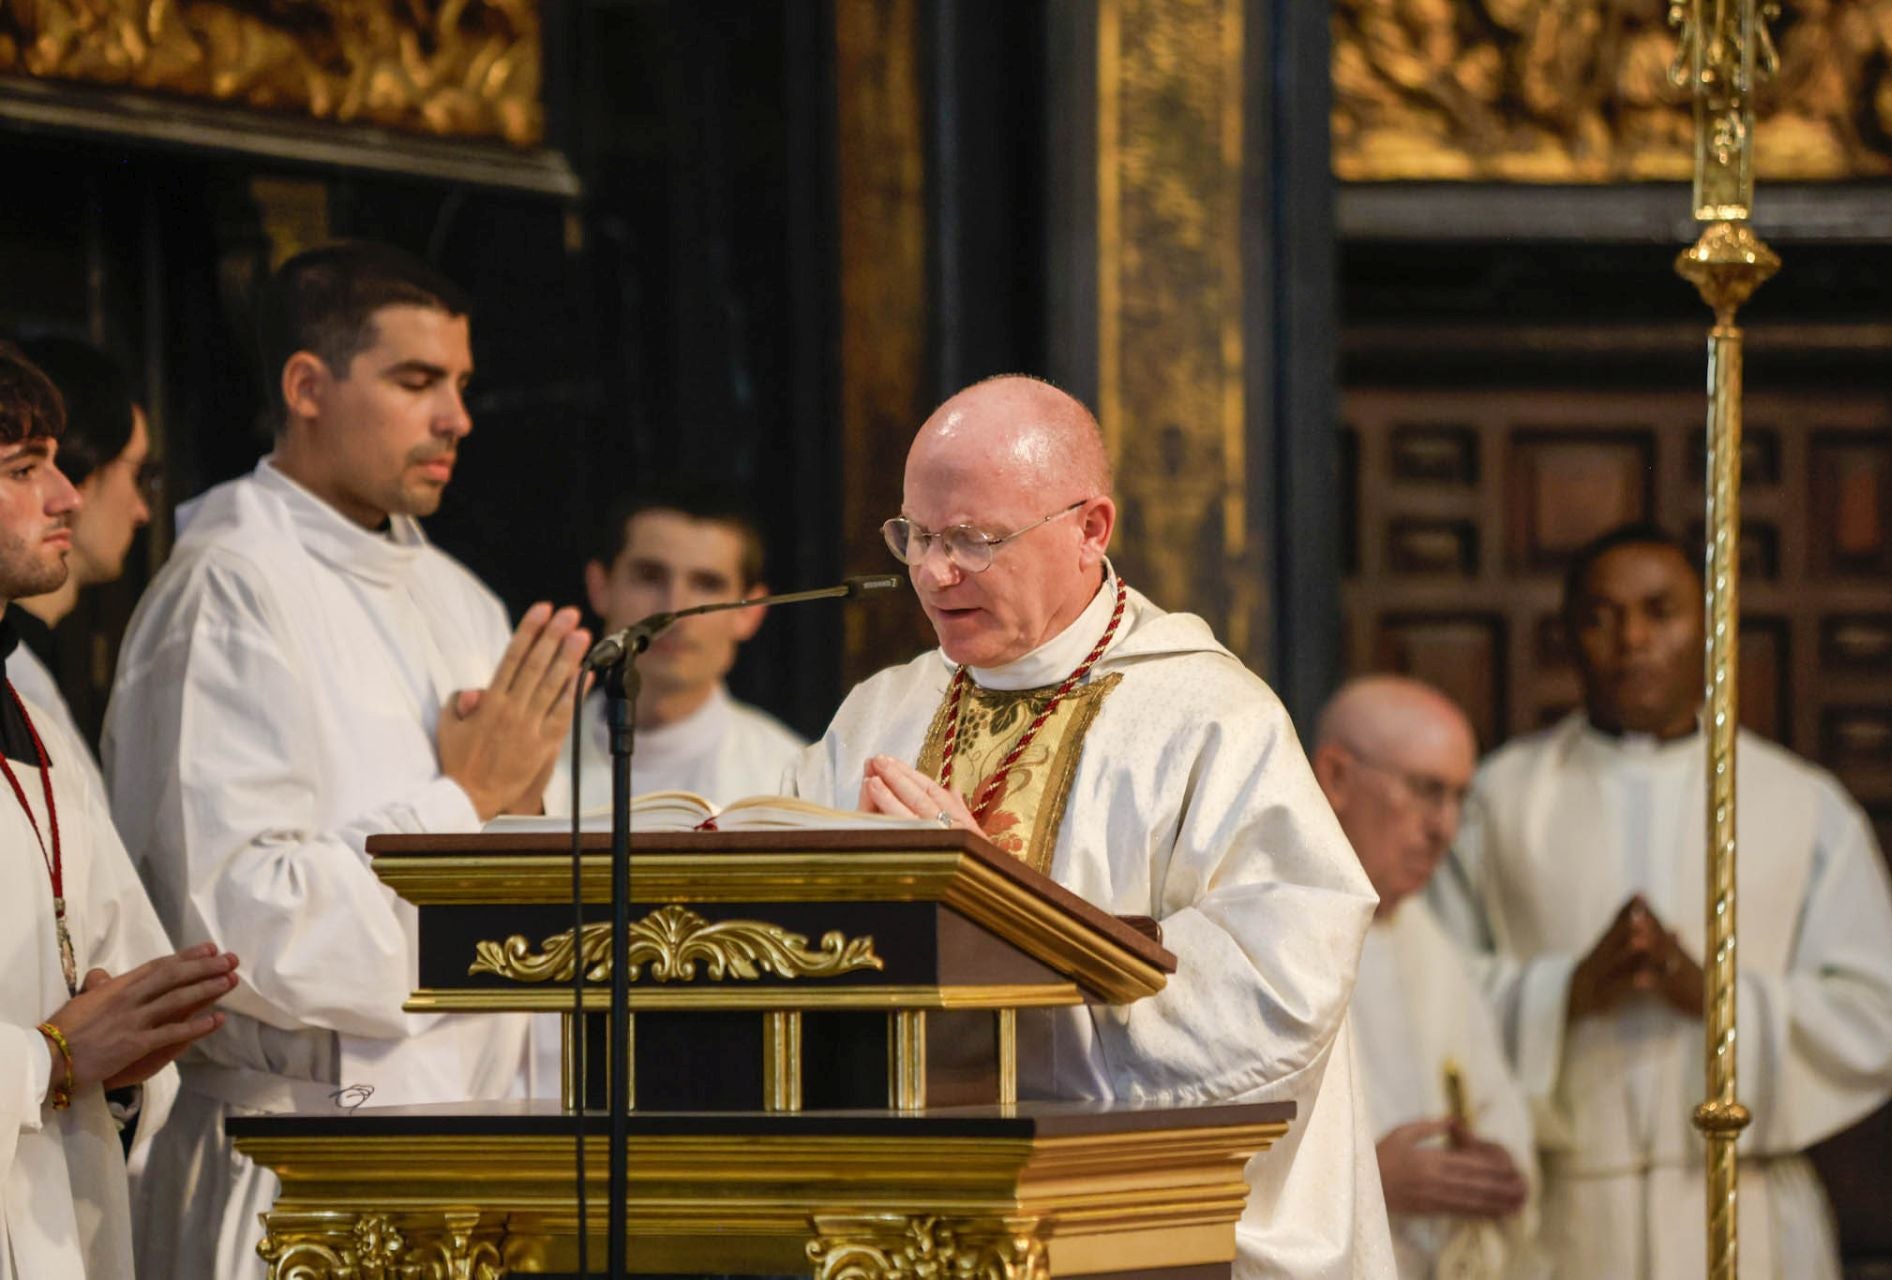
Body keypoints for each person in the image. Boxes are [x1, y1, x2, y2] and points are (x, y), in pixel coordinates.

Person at [790, 374, 1392, 1279]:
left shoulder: (1207, 716)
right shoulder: (881, 713)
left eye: (974, 539)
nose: (934, 572)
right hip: (906, 1214)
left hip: (1144, 1229)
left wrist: (993, 907)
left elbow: (1282, 981)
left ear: (1090, 529)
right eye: (915, 535)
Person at [102, 243, 591, 1279]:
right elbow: (239, 931)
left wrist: (523, 817)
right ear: (306, 386)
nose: (456, 417)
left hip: (473, 1164)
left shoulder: (462, 599)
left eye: (461, 384)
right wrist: (466, 801)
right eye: (417, 380)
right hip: (297, 1169)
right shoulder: (228, 590)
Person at [1430, 522, 1892, 1280]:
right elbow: (1429, 993)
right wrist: (1562, 994)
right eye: (1601, 617)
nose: (1632, 640)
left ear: (1712, 626)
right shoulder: (1500, 801)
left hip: (1742, 1197)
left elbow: (1875, 1009)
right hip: (1562, 1215)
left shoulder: (1800, 803)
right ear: (1568, 638)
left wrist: (1718, 1000)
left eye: (1660, 612)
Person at [0, 343, 239, 1278]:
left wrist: (124, 1055)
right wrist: (55, 1059)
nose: (67, 494)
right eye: (23, 469)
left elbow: (105, 966)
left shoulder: (33, 728)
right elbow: (62, 1047)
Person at [1311, 674, 1540, 1279]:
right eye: (1426, 791)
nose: (1446, 829)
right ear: (1335, 777)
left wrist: (1496, 1174)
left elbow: (1497, 1111)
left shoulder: (1429, 942)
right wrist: (1366, 1183)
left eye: (1459, 798)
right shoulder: (1270, 935)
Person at [569, 482, 802, 810]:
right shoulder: (529, 763)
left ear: (750, 612)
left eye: (707, 584)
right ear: (600, 586)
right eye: (650, 577)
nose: (673, 611)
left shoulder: (793, 783)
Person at [3, 336, 154, 762]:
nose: (68, 496)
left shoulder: (31, 675)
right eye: (139, 474)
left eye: (53, 463)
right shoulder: (20, 673)